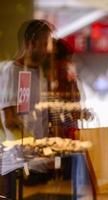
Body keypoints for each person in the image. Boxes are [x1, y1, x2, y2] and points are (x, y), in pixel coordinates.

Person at [0, 19, 54, 198]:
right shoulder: (12, 71)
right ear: (31, 43)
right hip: (17, 168)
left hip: (38, 165)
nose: (48, 50)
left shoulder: (40, 75)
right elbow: (10, 120)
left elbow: (40, 119)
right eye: (45, 43)